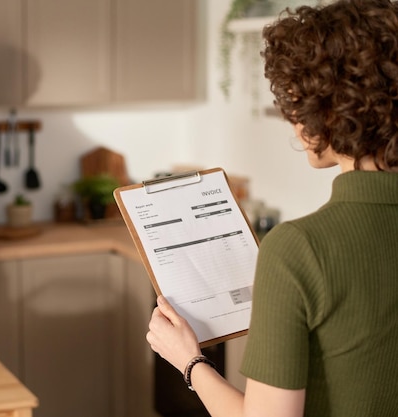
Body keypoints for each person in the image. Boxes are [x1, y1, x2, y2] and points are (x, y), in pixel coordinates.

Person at [146, 1, 398, 416]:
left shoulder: (298, 249)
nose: (292, 119)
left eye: (298, 101)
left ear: (330, 113)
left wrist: (189, 361)